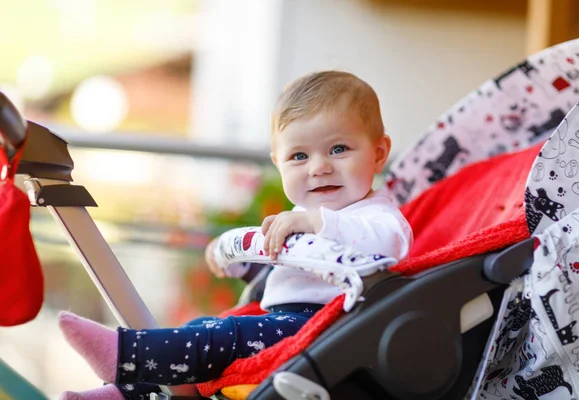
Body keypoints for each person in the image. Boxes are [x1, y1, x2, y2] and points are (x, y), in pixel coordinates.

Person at [57, 71, 413, 400]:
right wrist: (249, 267)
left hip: (330, 327)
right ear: (278, 163)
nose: (320, 167)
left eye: (339, 149)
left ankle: (125, 355)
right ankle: (126, 392)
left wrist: (318, 223)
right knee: (203, 327)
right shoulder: (301, 215)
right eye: (299, 156)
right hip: (285, 317)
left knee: (220, 339)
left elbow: (387, 246)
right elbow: (296, 273)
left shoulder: (377, 217)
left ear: (378, 153)